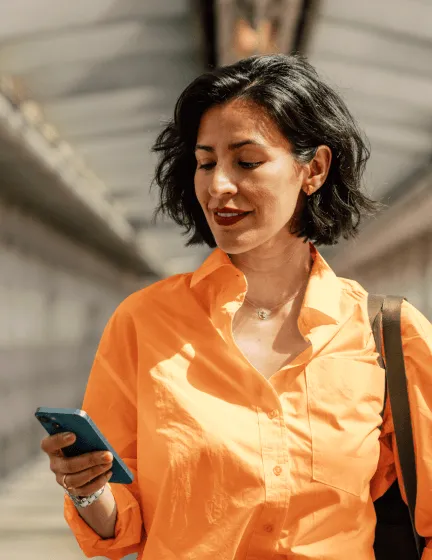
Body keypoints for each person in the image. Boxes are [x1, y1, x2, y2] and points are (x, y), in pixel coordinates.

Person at [40, 54, 432, 559]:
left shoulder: (388, 336)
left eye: (246, 162)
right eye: (206, 163)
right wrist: (87, 485)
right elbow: (123, 528)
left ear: (312, 169)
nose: (219, 185)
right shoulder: (145, 322)